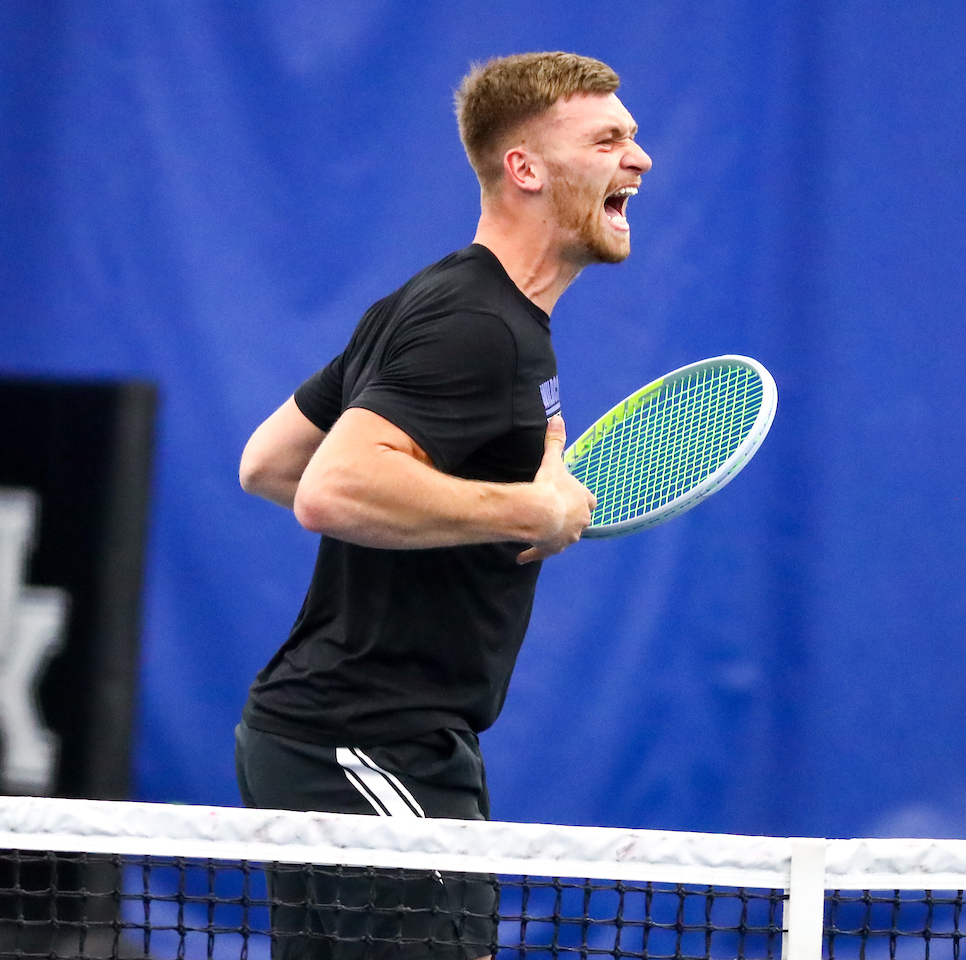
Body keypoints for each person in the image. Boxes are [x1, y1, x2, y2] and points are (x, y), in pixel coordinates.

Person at [235, 51, 652, 959]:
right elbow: (327, 487)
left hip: (364, 740)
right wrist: (525, 511)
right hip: (362, 741)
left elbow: (268, 463)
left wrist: (454, 508)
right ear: (526, 168)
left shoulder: (438, 301)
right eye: (609, 138)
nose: (642, 158)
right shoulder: (476, 330)